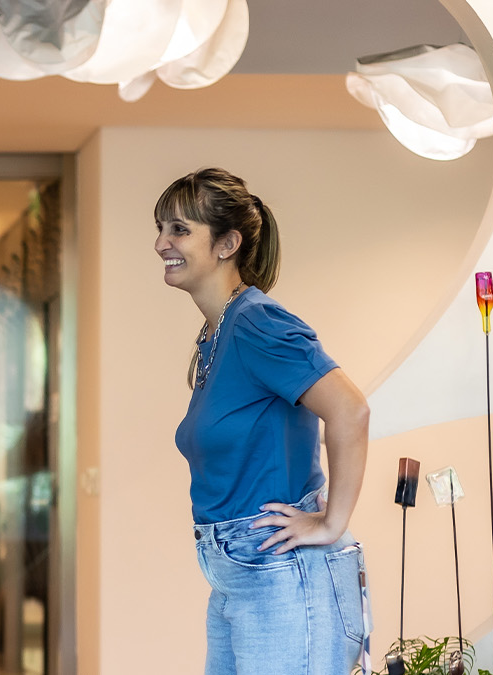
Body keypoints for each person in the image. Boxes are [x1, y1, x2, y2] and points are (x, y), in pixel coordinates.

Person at [154, 168, 372, 675]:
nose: (162, 243)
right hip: (236, 569)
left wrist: (332, 522)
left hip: (279, 568)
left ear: (227, 243)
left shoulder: (258, 322)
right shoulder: (217, 333)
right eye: (161, 228)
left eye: (180, 230)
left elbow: (350, 409)